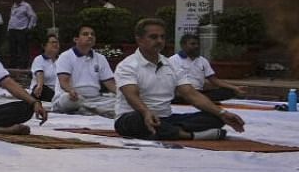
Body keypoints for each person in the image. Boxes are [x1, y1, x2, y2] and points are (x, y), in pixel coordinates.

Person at [114, 18, 245, 141]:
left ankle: (168, 132)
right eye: (153, 37)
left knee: (215, 118)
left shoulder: (171, 65)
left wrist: (222, 113)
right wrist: (146, 112)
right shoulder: (127, 65)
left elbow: (191, 94)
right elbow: (131, 96)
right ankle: (189, 135)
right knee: (136, 121)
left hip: (165, 119)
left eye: (162, 37)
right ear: (139, 40)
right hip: (136, 116)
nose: (159, 41)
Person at [53, 24, 117, 117]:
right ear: (76, 39)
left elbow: (110, 83)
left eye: (92, 34)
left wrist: (123, 95)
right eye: (85, 34)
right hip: (72, 97)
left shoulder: (100, 58)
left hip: (95, 99)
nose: (90, 36)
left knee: (120, 102)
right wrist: (71, 91)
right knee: (68, 101)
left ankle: (87, 109)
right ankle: (90, 109)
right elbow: (63, 82)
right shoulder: (65, 56)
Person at [171, 33, 245, 103]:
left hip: (199, 93)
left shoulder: (202, 60)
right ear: (183, 45)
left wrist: (235, 88)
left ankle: (198, 100)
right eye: (193, 44)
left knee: (229, 92)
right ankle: (199, 101)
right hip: (181, 94)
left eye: (197, 44)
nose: (196, 46)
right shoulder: (173, 60)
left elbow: (214, 80)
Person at [7, 0, 37, 68]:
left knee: (23, 48)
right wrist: (8, 28)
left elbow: (33, 16)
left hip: (21, 30)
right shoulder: (13, 6)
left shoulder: (26, 6)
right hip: (12, 29)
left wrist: (29, 27)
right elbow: (12, 18)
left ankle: (23, 64)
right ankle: (13, 64)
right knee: (12, 48)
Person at [29, 34, 60, 102]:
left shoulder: (62, 60)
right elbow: (39, 73)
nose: (55, 44)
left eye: (56, 42)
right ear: (44, 46)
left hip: (58, 92)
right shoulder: (39, 59)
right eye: (52, 42)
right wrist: (40, 85)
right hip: (42, 91)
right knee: (42, 89)